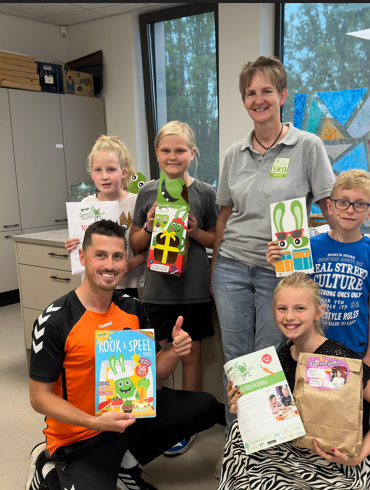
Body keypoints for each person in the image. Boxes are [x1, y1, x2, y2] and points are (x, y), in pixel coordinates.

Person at [27, 220, 219, 490]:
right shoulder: (56, 320)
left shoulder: (132, 309)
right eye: (100, 255)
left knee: (205, 406)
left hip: (127, 417)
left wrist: (175, 350)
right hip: (80, 436)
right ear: (83, 257)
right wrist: (95, 421)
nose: (110, 265)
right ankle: (46, 466)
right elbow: (39, 398)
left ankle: (125, 463)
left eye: (118, 256)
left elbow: (158, 372)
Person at [211, 56, 336, 434]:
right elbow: (224, 216)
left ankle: (264, 443)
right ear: (244, 100)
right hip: (232, 267)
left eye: (267, 90)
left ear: (282, 95)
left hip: (281, 274)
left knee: (269, 360)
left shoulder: (307, 146)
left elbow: (329, 208)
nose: (259, 99)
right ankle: (238, 445)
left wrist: (353, 246)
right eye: (251, 92)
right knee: (236, 360)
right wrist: (216, 266)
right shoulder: (234, 154)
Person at [221, 273, 370, 490]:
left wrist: (359, 456)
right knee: (237, 434)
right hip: (295, 447)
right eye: (282, 309)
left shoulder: (338, 359)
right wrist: (245, 405)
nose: (290, 316)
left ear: (318, 312)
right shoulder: (281, 357)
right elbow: (281, 412)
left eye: (300, 308)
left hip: (336, 460)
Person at [130, 121, 218, 456]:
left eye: (180, 150)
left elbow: (215, 240)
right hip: (156, 291)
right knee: (154, 357)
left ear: (192, 154)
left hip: (193, 290)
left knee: (191, 354)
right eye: (166, 150)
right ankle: (154, 419)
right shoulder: (148, 193)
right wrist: (150, 226)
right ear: (156, 154)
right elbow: (136, 241)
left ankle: (186, 424)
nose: (173, 156)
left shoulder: (205, 193)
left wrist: (195, 231)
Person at [267, 169, 370, 368]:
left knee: (350, 399)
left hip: (354, 348)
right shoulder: (309, 247)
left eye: (360, 204)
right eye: (343, 202)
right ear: (330, 206)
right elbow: (294, 291)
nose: (350, 210)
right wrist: (280, 265)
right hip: (310, 345)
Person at [64, 136, 145, 298]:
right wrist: (72, 246)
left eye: (111, 169)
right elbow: (84, 247)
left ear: (123, 173)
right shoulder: (86, 204)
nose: (104, 176)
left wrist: (132, 263)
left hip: (125, 285)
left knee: (127, 322)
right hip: (94, 285)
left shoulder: (137, 202)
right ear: (92, 174)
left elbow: (149, 247)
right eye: (98, 170)